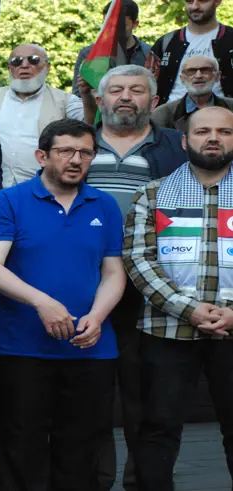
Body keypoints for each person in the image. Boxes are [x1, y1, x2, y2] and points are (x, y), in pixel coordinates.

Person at [0, 119, 127, 491]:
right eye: (65, 151)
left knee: (82, 450)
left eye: (85, 153)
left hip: (91, 347)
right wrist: (41, 302)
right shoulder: (9, 200)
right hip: (21, 347)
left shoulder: (105, 205)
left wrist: (98, 316)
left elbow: (113, 272)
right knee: (20, 447)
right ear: (42, 156)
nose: (76, 160)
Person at [87, 64, 189, 491]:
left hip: (152, 287)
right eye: (116, 90)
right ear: (99, 100)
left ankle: (142, 481)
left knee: (146, 397)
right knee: (90, 395)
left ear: (154, 100)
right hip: (87, 286)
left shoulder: (177, 147)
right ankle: (93, 481)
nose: (125, 97)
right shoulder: (77, 143)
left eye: (136, 89)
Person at [124, 106, 233, 491]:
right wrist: (189, 309)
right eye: (203, 131)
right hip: (167, 330)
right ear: (185, 141)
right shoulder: (152, 194)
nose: (214, 138)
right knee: (157, 428)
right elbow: (138, 259)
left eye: (224, 131)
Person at [0, 44, 83, 188]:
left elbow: (90, 128)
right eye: (16, 61)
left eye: (33, 60)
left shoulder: (66, 101)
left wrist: (88, 96)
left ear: (47, 67)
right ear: (9, 68)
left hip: (45, 189)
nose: (24, 65)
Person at [145, 0, 233, 105]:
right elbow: (146, 82)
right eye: (189, 1)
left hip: (223, 112)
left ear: (217, 2)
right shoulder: (166, 42)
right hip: (172, 113)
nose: (195, 6)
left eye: (202, 1)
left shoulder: (230, 38)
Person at [71, 0, 151, 96]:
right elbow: (77, 95)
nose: (114, 30)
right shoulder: (88, 54)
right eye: (109, 25)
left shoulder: (149, 53)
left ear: (135, 24)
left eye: (121, 26)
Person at [151, 56, 233, 132]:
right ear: (182, 79)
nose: (198, 76)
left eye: (205, 70)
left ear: (218, 76)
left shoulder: (230, 107)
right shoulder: (162, 114)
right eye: (191, 71)